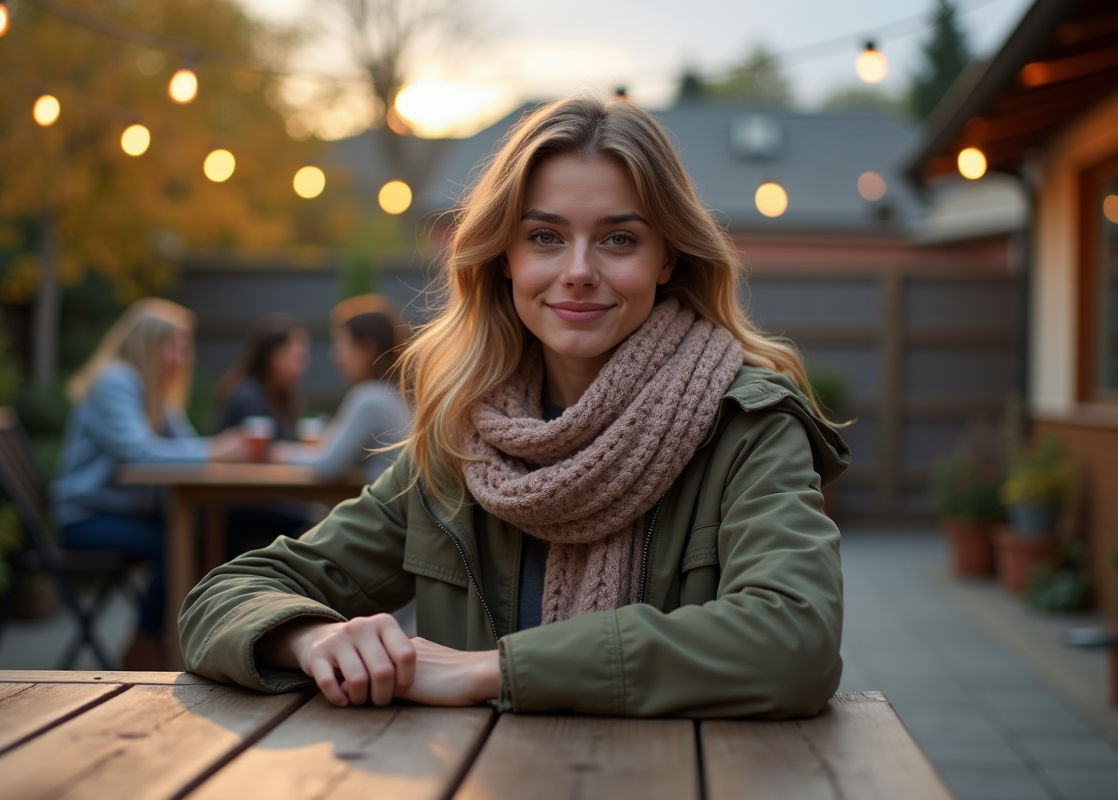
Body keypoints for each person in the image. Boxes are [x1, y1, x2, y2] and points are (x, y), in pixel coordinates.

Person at [180, 95, 850, 718]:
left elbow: (795, 639)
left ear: (666, 258)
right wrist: (308, 639)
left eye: (619, 238)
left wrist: (494, 671)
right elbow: (221, 599)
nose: (578, 270)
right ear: (504, 257)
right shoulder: (461, 446)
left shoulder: (748, 426)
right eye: (545, 237)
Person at [52, 298, 245, 668]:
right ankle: (147, 644)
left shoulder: (153, 387)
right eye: (174, 346)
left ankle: (170, 639)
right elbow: (140, 453)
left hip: (121, 512)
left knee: (201, 531)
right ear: (147, 344)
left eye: (185, 347)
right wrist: (217, 450)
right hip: (87, 517)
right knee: (178, 541)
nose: (182, 358)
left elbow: (183, 445)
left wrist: (219, 450)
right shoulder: (115, 381)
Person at [271, 295, 411, 483]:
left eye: (342, 344)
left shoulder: (371, 397)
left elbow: (325, 465)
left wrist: (279, 452)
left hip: (386, 501)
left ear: (367, 347)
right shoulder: (394, 394)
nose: (335, 355)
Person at [213, 316, 311, 442]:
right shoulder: (249, 397)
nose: (305, 365)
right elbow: (265, 448)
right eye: (298, 357)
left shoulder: (278, 395)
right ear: (275, 356)